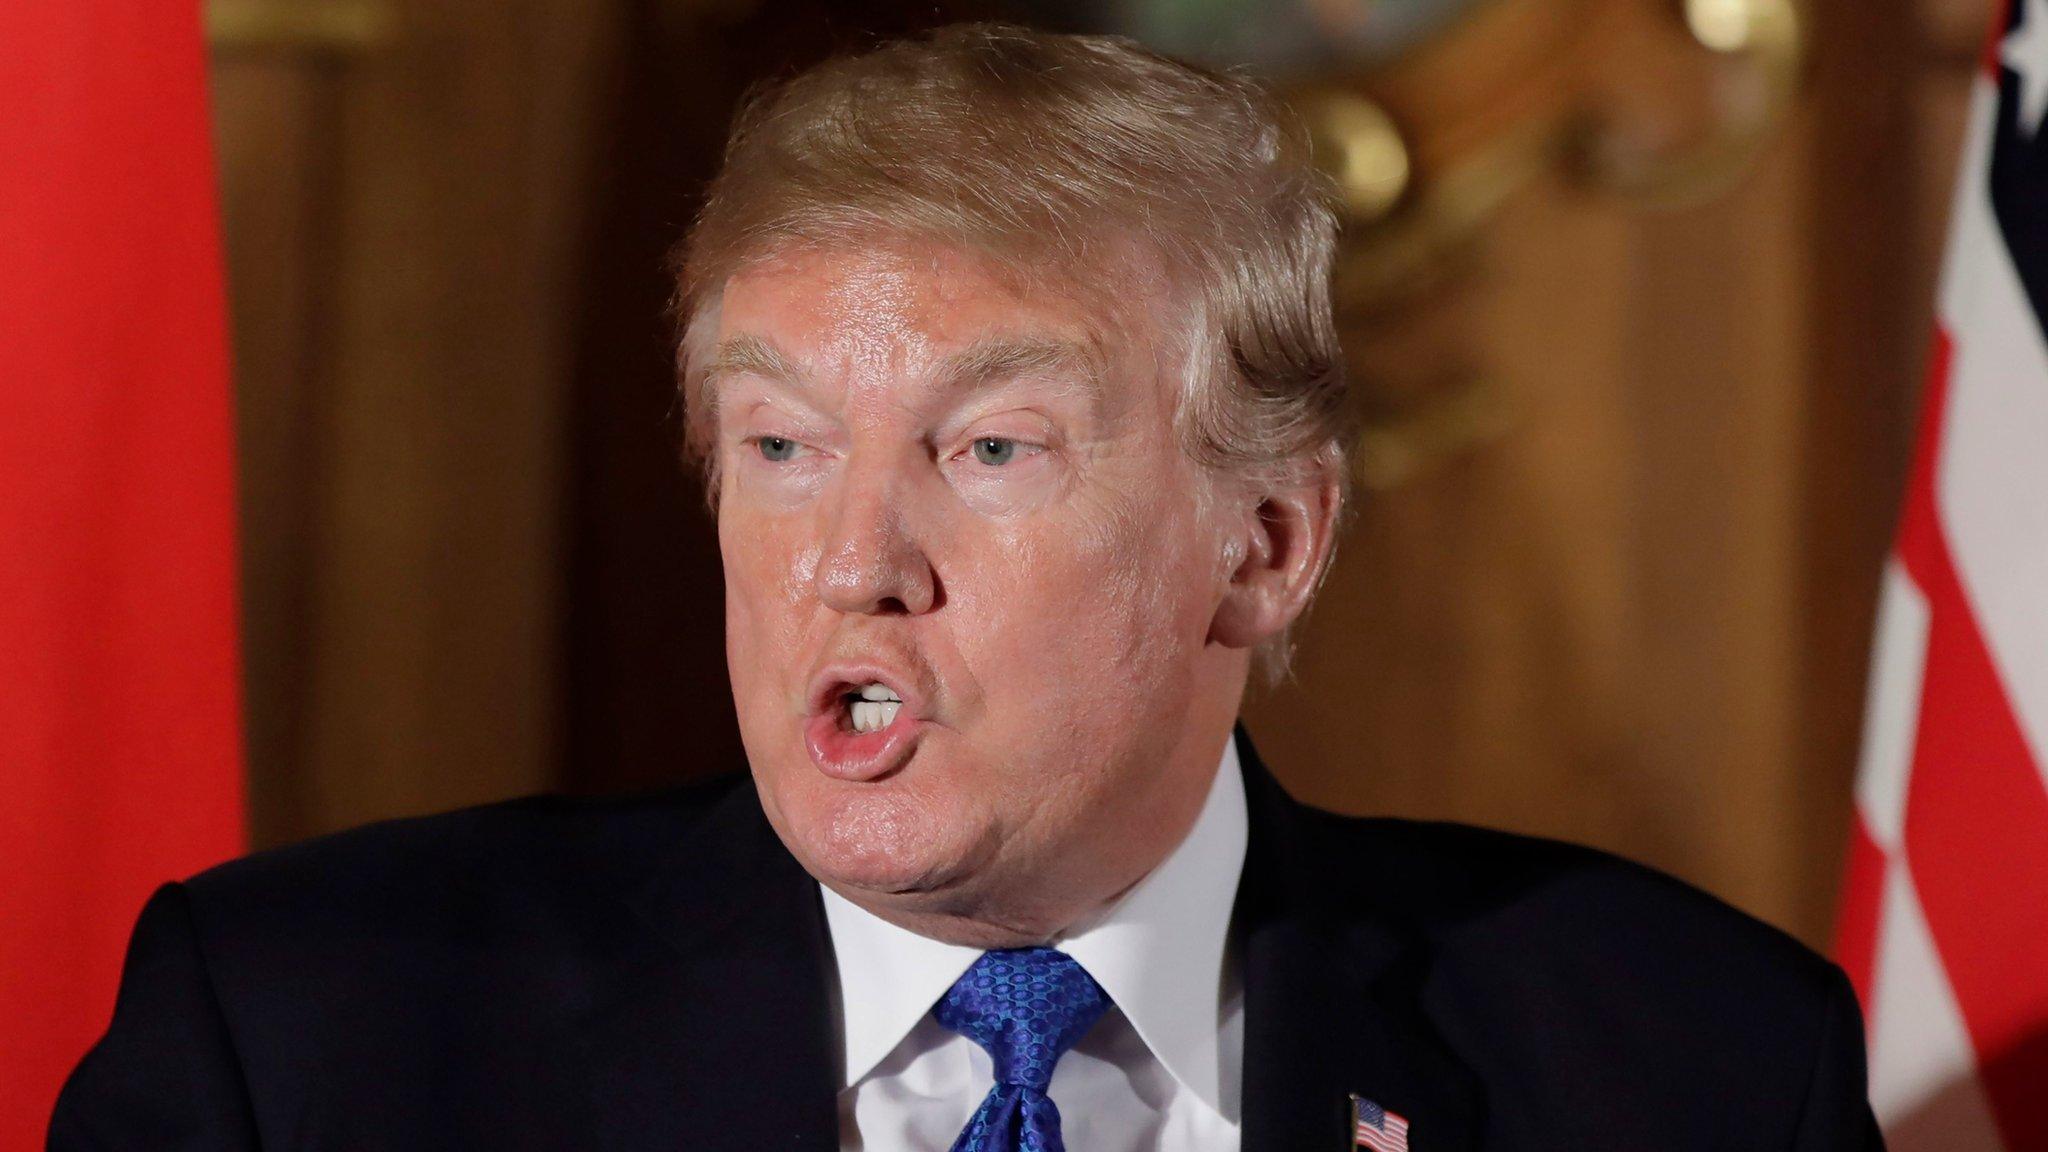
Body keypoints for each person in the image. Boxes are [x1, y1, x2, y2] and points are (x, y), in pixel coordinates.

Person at [50, 23, 1882, 1152]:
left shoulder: (1694, 1069)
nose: (852, 564)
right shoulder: (304, 1047)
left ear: (1264, 547)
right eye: (779, 448)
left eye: (987, 449)